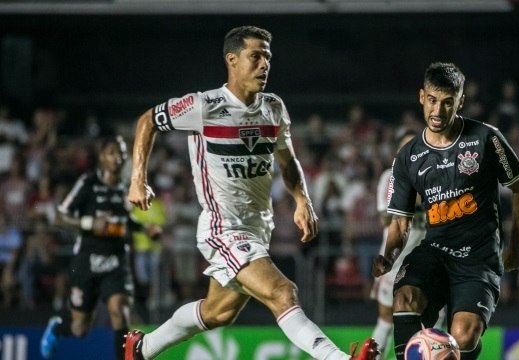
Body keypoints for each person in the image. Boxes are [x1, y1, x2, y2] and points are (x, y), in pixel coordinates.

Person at [123, 25, 379, 360]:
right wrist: (137, 179)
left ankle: (140, 349)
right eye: (255, 57)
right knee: (283, 292)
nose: (264, 65)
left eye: (267, 57)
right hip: (223, 228)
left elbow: (288, 162)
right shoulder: (205, 105)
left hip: (258, 228)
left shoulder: (273, 107)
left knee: (218, 313)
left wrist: (302, 200)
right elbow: (147, 121)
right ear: (232, 59)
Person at [372, 62, 519, 360]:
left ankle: (467, 350)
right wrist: (389, 255)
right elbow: (400, 223)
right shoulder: (407, 157)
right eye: (432, 100)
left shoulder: (487, 139)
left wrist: (516, 245)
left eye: (448, 103)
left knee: (463, 336)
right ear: (422, 96)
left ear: (460, 101)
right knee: (405, 298)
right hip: (435, 250)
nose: (438, 110)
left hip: (478, 259)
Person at [40, 135, 156, 360]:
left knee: (119, 311)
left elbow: (127, 221)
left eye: (122, 153)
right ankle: (58, 326)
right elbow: (59, 216)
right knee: (79, 328)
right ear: (102, 157)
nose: (118, 158)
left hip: (116, 260)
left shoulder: (126, 188)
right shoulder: (88, 183)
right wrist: (89, 223)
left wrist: (145, 229)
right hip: (87, 260)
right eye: (112, 152)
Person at [370, 130, 447, 357]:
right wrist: (416, 198)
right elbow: (385, 217)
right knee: (386, 317)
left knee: (435, 317)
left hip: (429, 257)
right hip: (396, 258)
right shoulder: (391, 177)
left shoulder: (438, 175)